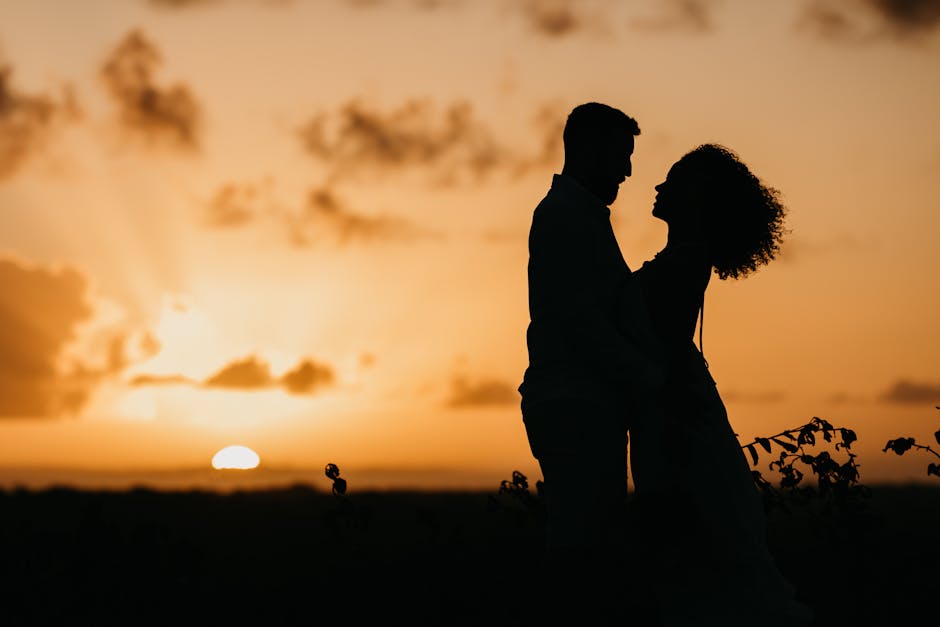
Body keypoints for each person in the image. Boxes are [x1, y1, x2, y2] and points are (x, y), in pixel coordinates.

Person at [632, 143, 814, 626]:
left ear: (696, 197)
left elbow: (664, 348)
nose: (659, 187)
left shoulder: (686, 260)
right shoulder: (683, 258)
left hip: (677, 417)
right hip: (675, 410)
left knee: (702, 556)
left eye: (673, 181)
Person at [518, 102, 667, 623]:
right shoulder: (563, 216)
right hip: (573, 401)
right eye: (621, 156)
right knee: (582, 549)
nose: (628, 171)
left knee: (590, 542)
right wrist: (648, 376)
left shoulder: (577, 215)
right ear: (586, 150)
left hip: (584, 400)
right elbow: (580, 319)